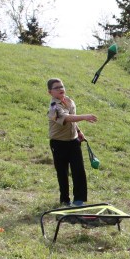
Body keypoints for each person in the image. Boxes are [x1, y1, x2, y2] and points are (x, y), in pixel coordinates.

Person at [46, 78, 97, 206]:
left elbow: (72, 120)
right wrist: (84, 117)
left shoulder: (69, 101)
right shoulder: (53, 107)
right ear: (50, 92)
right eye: (56, 88)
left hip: (73, 141)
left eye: (62, 86)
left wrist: (78, 131)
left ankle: (79, 200)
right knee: (62, 173)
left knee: (79, 170)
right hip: (58, 143)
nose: (60, 89)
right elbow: (66, 118)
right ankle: (65, 200)